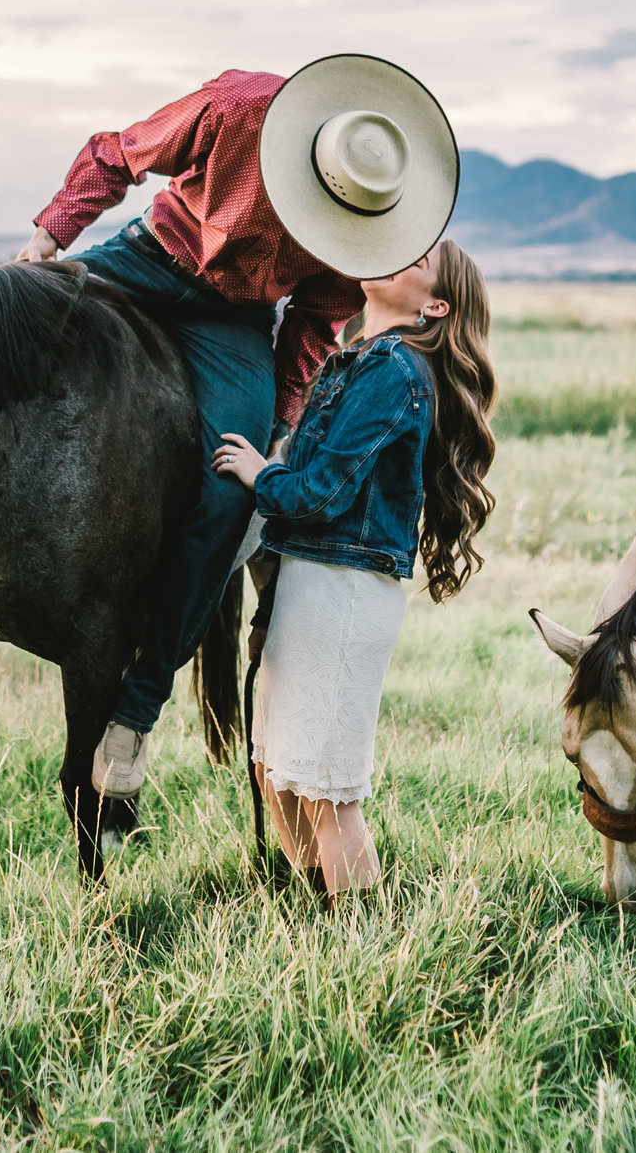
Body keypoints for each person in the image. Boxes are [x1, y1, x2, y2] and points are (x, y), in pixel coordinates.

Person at [21, 58, 460, 805]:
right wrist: (47, 236)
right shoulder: (238, 107)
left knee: (230, 499)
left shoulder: (365, 237)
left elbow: (314, 322)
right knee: (19, 313)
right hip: (150, 258)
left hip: (236, 325)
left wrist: (280, 425)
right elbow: (119, 153)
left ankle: (135, 713)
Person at [211, 240, 497, 899]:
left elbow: (320, 492)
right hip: (311, 581)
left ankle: (358, 944)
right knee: (277, 771)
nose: (400, 255)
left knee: (327, 790)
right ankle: (316, 910)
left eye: (419, 261)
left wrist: (263, 472)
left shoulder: (396, 369)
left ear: (434, 304)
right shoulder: (359, 359)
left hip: (343, 592)